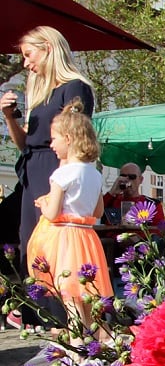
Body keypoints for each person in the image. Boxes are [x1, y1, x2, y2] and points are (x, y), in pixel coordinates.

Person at [1, 27, 95, 330]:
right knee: (31, 244)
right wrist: (9, 117)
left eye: (29, 55)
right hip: (32, 169)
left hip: (55, 170)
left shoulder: (75, 87)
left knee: (55, 246)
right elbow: (26, 143)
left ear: (49, 49)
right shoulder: (40, 96)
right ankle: (38, 315)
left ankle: (64, 317)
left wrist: (65, 180)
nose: (27, 63)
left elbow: (75, 138)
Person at [26, 99, 113, 324]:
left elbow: (53, 213)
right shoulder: (94, 174)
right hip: (86, 237)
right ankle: (91, 335)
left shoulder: (61, 175)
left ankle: (76, 344)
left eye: (54, 139)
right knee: (85, 292)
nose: (51, 144)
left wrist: (43, 204)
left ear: (68, 139)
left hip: (64, 239)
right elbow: (98, 210)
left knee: (70, 293)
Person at [102, 162, 165, 226]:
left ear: (140, 179)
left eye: (132, 177)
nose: (127, 180)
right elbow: (96, 213)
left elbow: (159, 231)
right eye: (123, 176)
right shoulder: (111, 200)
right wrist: (112, 192)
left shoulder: (152, 204)